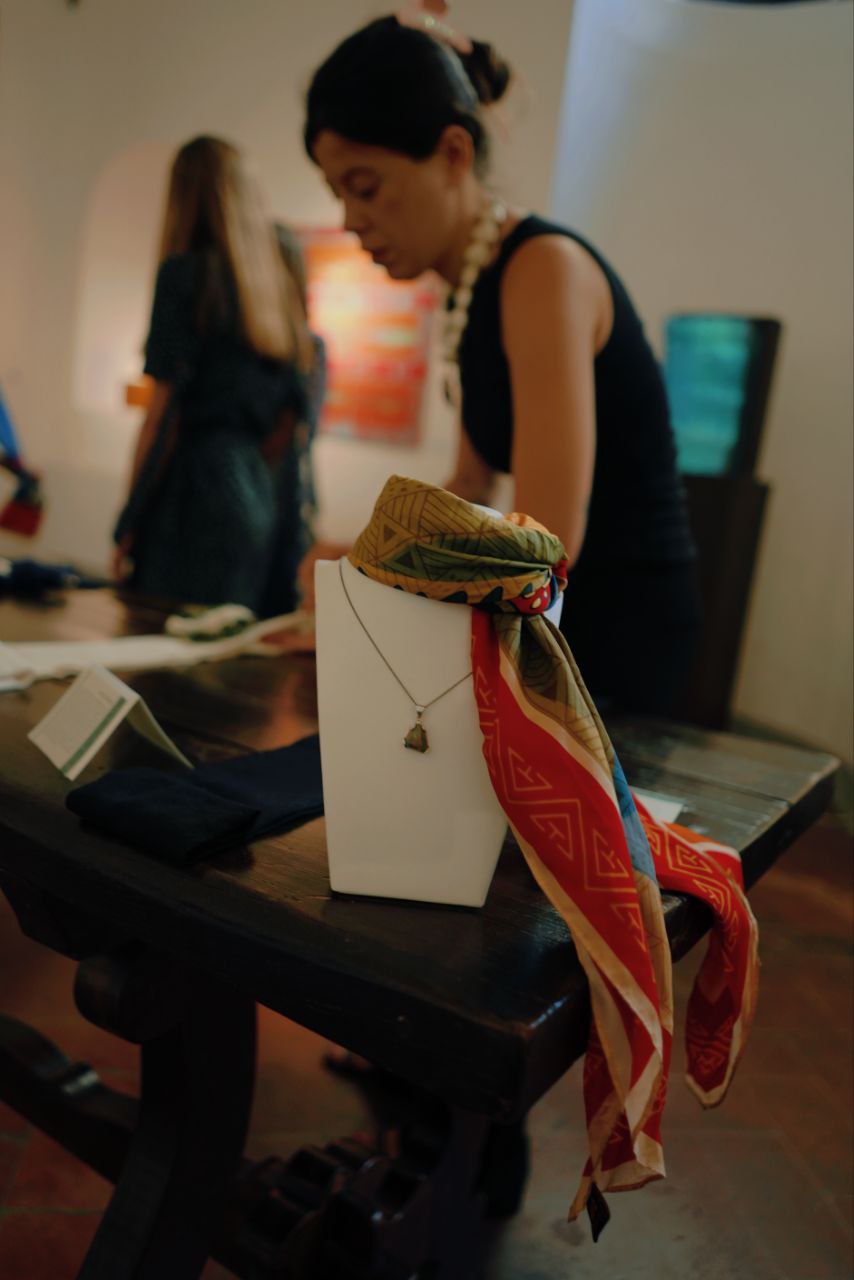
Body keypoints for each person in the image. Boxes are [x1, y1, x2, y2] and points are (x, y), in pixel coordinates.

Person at [303, 7, 702, 715]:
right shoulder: (472, 284)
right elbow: (470, 485)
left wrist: (370, 594)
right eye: (338, 194)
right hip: (556, 614)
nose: (351, 220)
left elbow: (547, 536)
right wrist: (356, 573)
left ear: (453, 154)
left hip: (618, 630)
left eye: (364, 187)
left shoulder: (542, 269)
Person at [114, 136, 315, 615]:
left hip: (191, 495)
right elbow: (288, 425)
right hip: (256, 492)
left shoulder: (185, 276)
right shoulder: (277, 290)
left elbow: (161, 417)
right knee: (226, 640)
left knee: (162, 638)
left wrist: (128, 522)